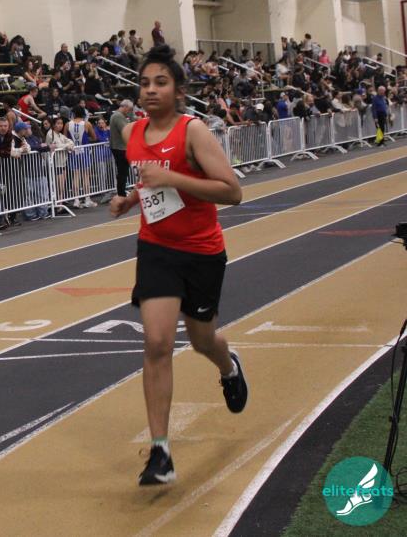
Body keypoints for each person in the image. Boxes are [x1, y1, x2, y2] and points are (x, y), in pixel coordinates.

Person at [109, 44, 247, 486]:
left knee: (203, 339)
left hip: (202, 251)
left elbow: (232, 191)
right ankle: (160, 451)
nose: (150, 90)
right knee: (157, 342)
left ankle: (228, 366)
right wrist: (130, 200)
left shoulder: (193, 132)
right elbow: (150, 183)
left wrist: (172, 177)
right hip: (156, 249)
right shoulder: (133, 133)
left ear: (178, 90)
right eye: (144, 83)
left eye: (161, 82)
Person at [109, 99, 133, 197]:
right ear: (125, 107)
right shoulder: (118, 116)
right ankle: (121, 194)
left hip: (119, 147)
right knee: (123, 172)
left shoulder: (118, 115)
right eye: (129, 109)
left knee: (123, 172)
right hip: (120, 148)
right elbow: (125, 130)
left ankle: (122, 192)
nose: (129, 111)